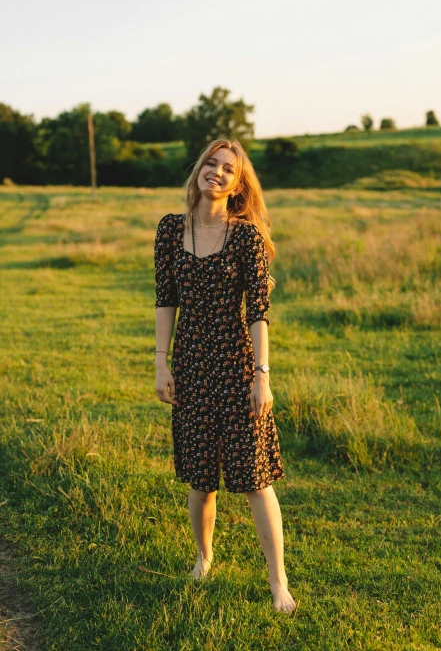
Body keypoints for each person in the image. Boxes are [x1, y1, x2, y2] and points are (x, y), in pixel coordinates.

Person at [154, 138, 296, 614]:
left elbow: (258, 309)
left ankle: (278, 582)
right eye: (211, 163)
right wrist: (161, 360)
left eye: (228, 169)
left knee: (256, 478)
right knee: (200, 477)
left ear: (238, 185)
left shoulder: (247, 237)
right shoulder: (171, 230)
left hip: (237, 366)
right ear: (200, 169)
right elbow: (165, 298)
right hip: (191, 365)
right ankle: (203, 558)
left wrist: (262, 374)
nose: (216, 172)